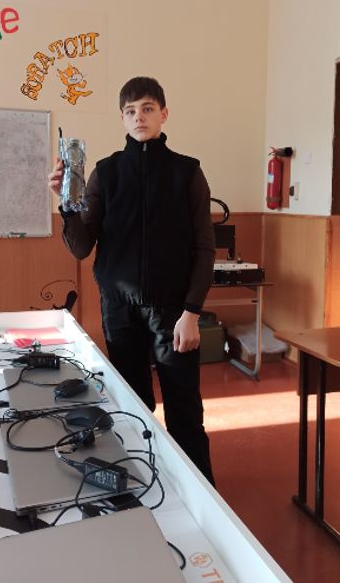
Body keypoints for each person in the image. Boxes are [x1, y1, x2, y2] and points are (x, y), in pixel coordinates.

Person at [49, 77, 216, 486]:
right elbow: (81, 247)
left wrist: (192, 312)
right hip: (119, 311)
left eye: (147, 108)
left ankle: (203, 496)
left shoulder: (187, 172)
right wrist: (66, 206)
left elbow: (205, 248)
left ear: (163, 113)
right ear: (122, 118)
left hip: (173, 312)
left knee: (184, 409)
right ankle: (144, 483)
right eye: (130, 111)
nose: (138, 117)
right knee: (133, 406)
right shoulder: (105, 173)